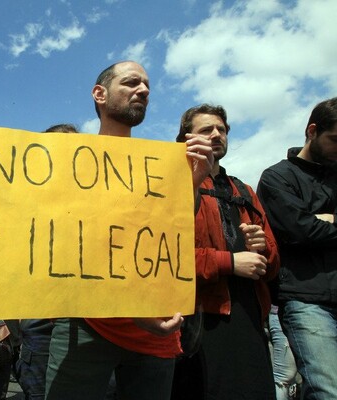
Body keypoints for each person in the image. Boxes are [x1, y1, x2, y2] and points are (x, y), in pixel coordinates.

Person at [44, 61, 214, 400]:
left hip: (157, 331)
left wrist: (193, 183)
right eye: (132, 82)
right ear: (100, 94)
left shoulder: (164, 166)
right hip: (86, 324)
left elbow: (171, 231)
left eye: (148, 86)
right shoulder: (69, 161)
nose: (144, 90)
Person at [172, 104, 279, 400]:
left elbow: (273, 266)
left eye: (222, 129)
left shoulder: (243, 190)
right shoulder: (172, 187)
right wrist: (230, 262)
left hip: (249, 316)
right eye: (206, 130)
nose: (216, 134)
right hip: (199, 318)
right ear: (186, 138)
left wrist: (262, 249)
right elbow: (167, 259)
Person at [257, 97, 337, 400]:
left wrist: (322, 221)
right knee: (327, 390)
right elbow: (300, 228)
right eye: (335, 139)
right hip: (305, 299)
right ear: (312, 130)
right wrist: (314, 223)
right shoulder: (278, 177)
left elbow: (308, 226)